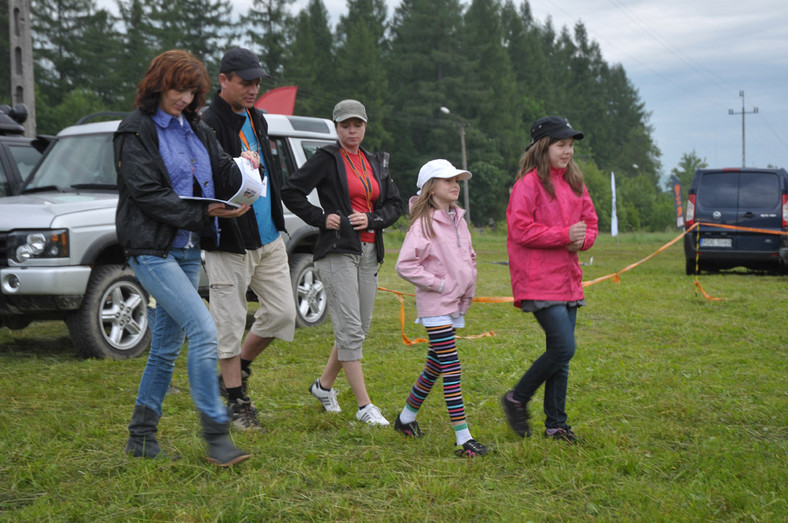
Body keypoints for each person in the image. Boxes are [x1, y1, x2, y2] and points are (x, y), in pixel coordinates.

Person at [116, 49, 259, 466]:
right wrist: (205, 212)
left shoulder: (195, 127)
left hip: (187, 247)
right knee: (203, 329)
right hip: (150, 249)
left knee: (164, 348)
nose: (184, 98)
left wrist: (244, 171)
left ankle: (141, 436)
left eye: (192, 91)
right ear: (158, 84)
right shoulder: (135, 130)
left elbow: (220, 171)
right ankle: (216, 436)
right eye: (178, 89)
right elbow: (147, 194)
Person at [281, 99, 403, 426]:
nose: (352, 131)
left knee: (358, 330)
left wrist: (373, 218)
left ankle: (324, 387)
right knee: (350, 329)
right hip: (336, 251)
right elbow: (290, 191)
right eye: (345, 125)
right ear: (336, 128)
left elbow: (395, 204)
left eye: (357, 125)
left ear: (365, 126)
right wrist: (321, 218)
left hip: (368, 253)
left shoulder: (376, 161)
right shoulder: (326, 159)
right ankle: (364, 407)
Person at [201, 47, 296, 432]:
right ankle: (236, 400)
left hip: (269, 235)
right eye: (246, 82)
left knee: (284, 313)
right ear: (223, 80)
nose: (253, 88)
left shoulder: (257, 118)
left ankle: (238, 368)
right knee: (229, 322)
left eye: (257, 81)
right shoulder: (207, 122)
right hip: (231, 238)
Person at [501, 116, 598, 443]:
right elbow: (520, 229)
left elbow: (590, 224)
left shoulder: (575, 182)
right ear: (543, 147)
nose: (568, 151)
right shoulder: (527, 185)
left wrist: (581, 240)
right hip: (538, 279)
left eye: (571, 145)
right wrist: (563, 235)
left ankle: (556, 424)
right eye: (561, 144)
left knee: (562, 355)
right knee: (563, 347)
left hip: (568, 280)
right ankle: (517, 398)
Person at [393, 159, 491, 458]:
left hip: (455, 304)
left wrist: (467, 288)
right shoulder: (423, 223)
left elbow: (469, 257)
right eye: (447, 180)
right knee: (451, 366)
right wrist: (438, 284)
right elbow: (405, 265)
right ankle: (463, 438)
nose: (455, 185)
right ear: (430, 187)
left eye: (457, 180)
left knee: (436, 364)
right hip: (435, 303)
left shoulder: (458, 218)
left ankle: (405, 419)